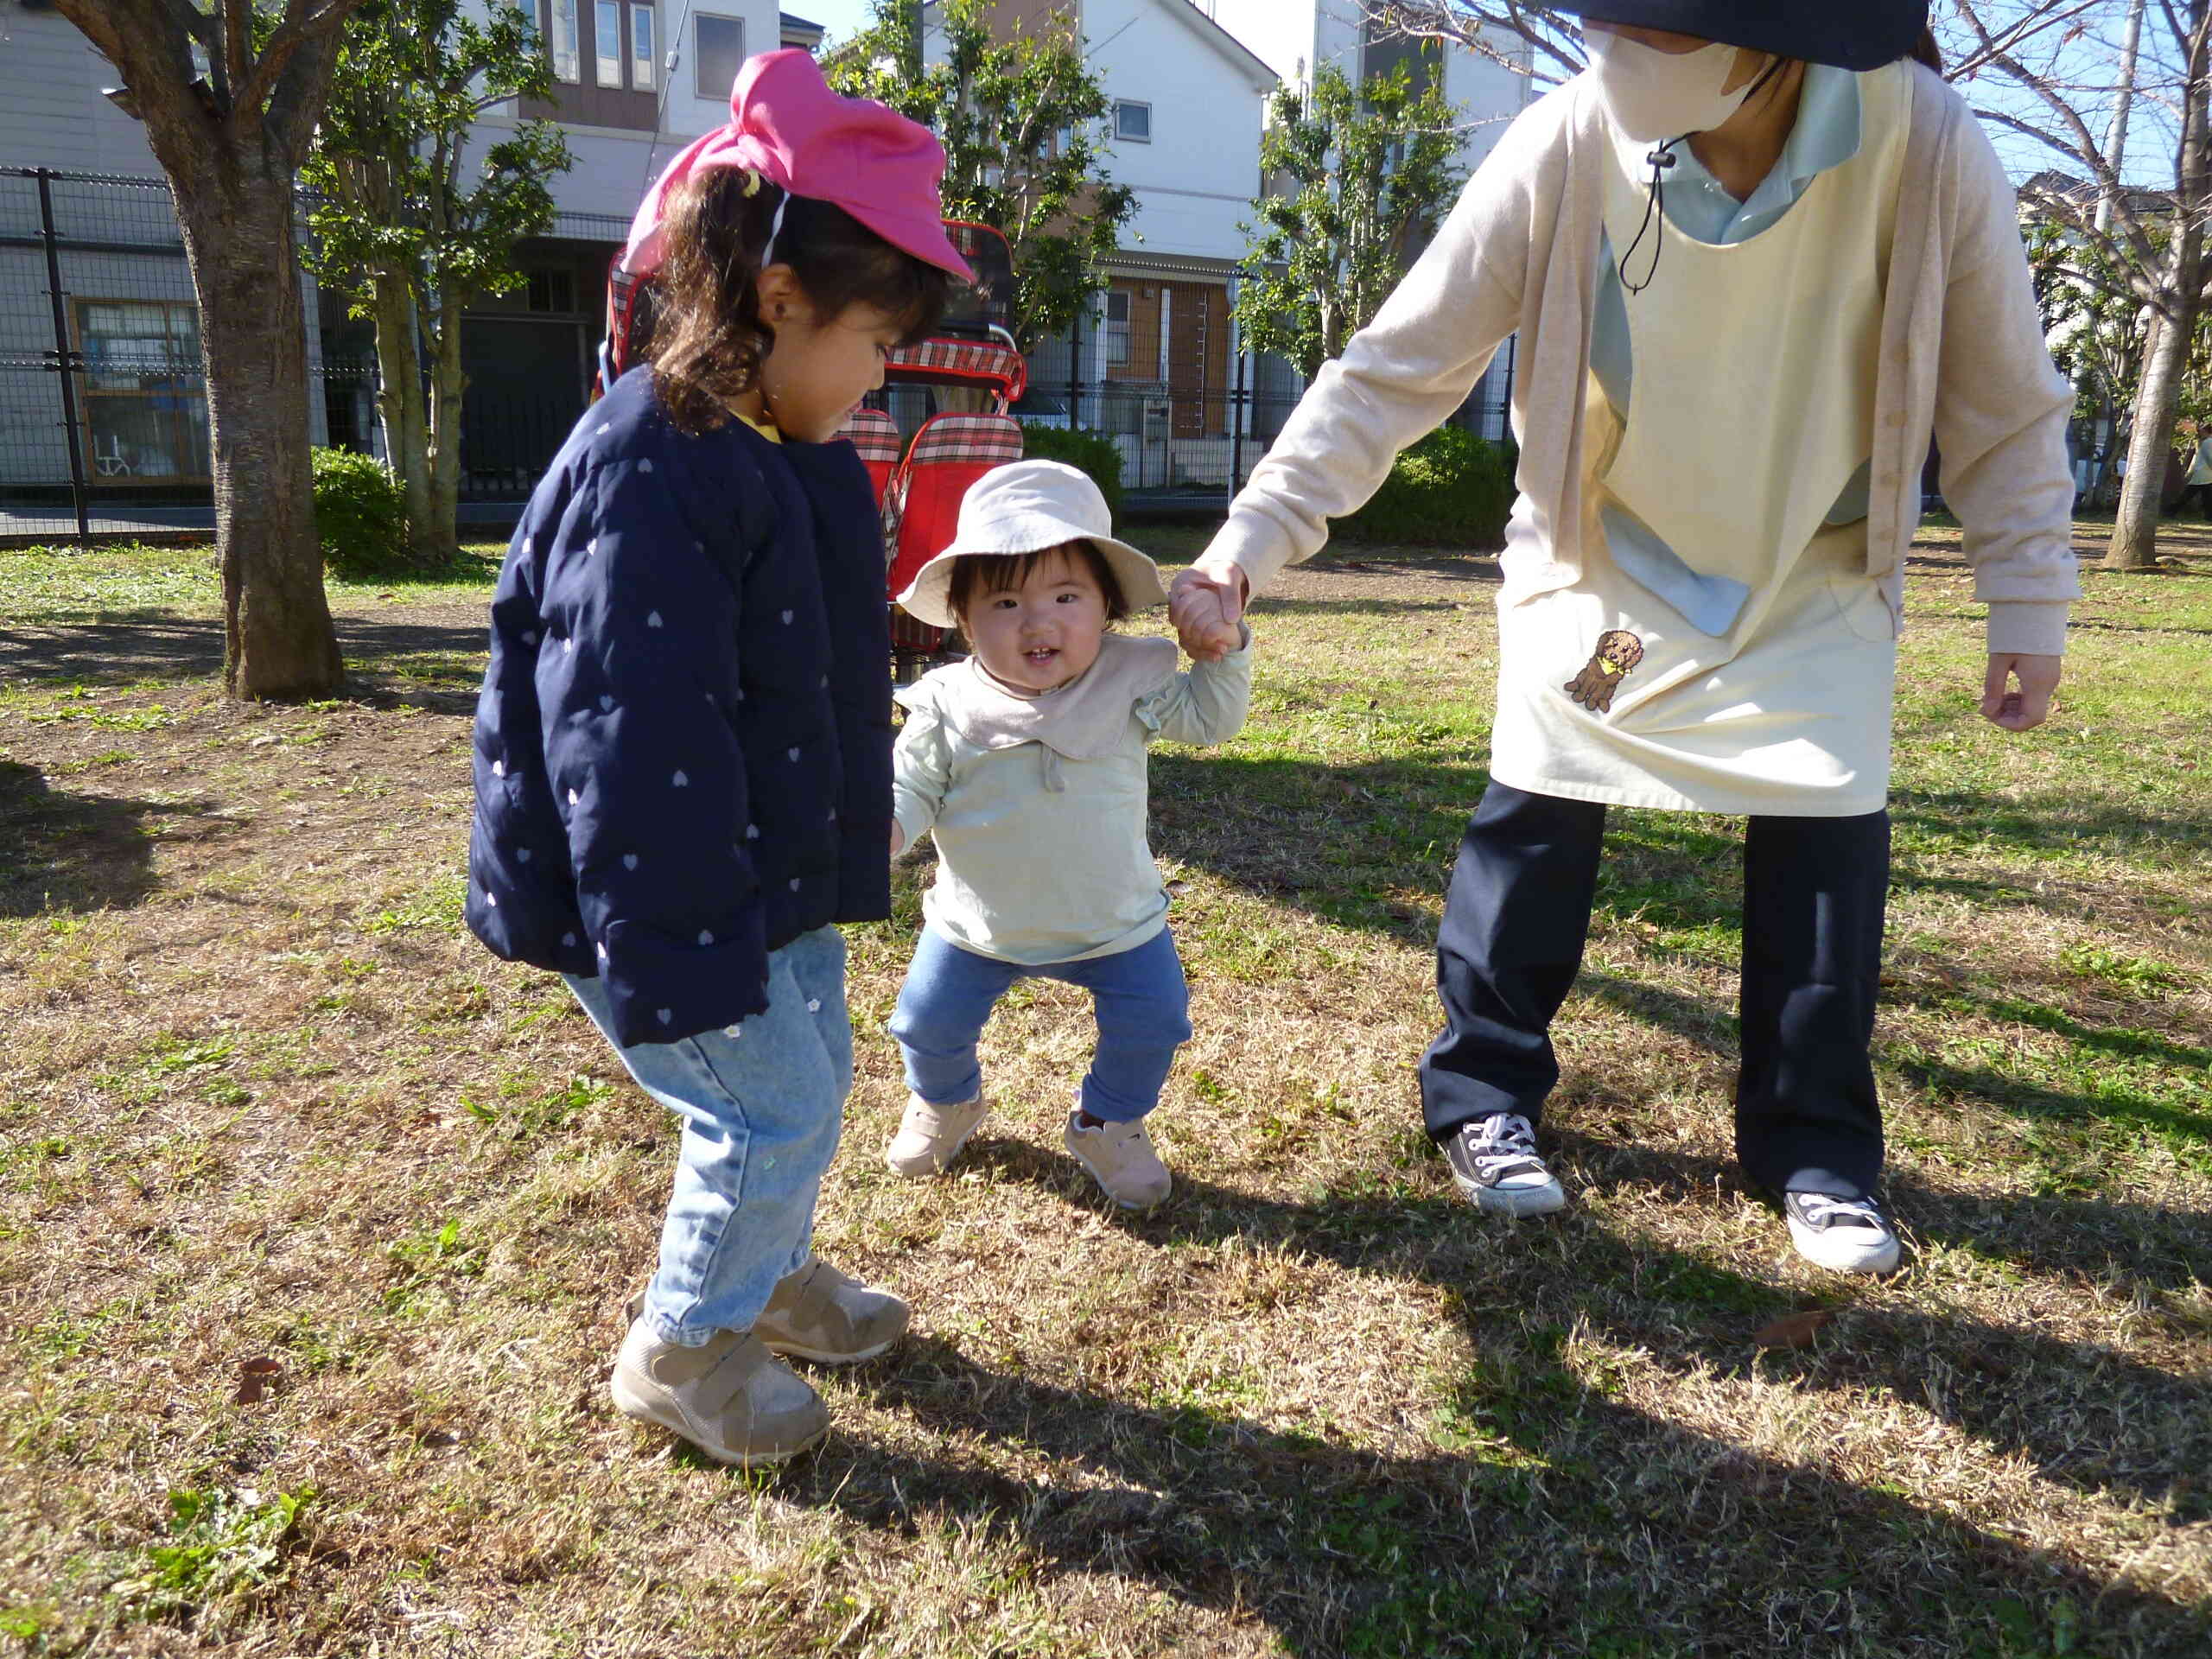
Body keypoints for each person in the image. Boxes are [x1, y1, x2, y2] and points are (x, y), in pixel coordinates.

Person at [1169, 1, 2079, 1274]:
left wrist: (2026, 598)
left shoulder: (1919, 137)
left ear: (1773, 37)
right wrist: (1251, 541)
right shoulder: (1570, 134)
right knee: (1539, 807)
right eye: (1603, 24)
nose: (1615, 55)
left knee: (1828, 852)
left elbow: (2003, 391)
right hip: (1609, 573)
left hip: (1809, 577)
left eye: (1647, 31)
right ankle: (1484, 1096)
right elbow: (1401, 364)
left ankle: (1814, 1150)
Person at [462, 49, 975, 1467]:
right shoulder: (655, 458)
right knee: (768, 1100)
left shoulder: (784, 445)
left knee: (807, 1060)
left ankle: (765, 1276)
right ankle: (686, 1343)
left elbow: (803, 670)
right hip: (654, 877)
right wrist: (679, 933)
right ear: (781, 297)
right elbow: (632, 722)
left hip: (757, 863)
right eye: (875, 342)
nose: (881, 376)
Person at [881, 461, 1254, 1210]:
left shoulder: (1130, 682)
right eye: (1006, 601)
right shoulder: (948, 703)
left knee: (1154, 1023)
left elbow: (1212, 722)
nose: (1038, 621)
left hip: (1114, 922)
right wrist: (877, 832)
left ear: (1107, 609)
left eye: (1066, 596)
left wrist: (1224, 652)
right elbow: (910, 789)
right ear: (962, 619)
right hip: (977, 928)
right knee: (924, 1022)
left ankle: (1106, 1121)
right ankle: (947, 1100)